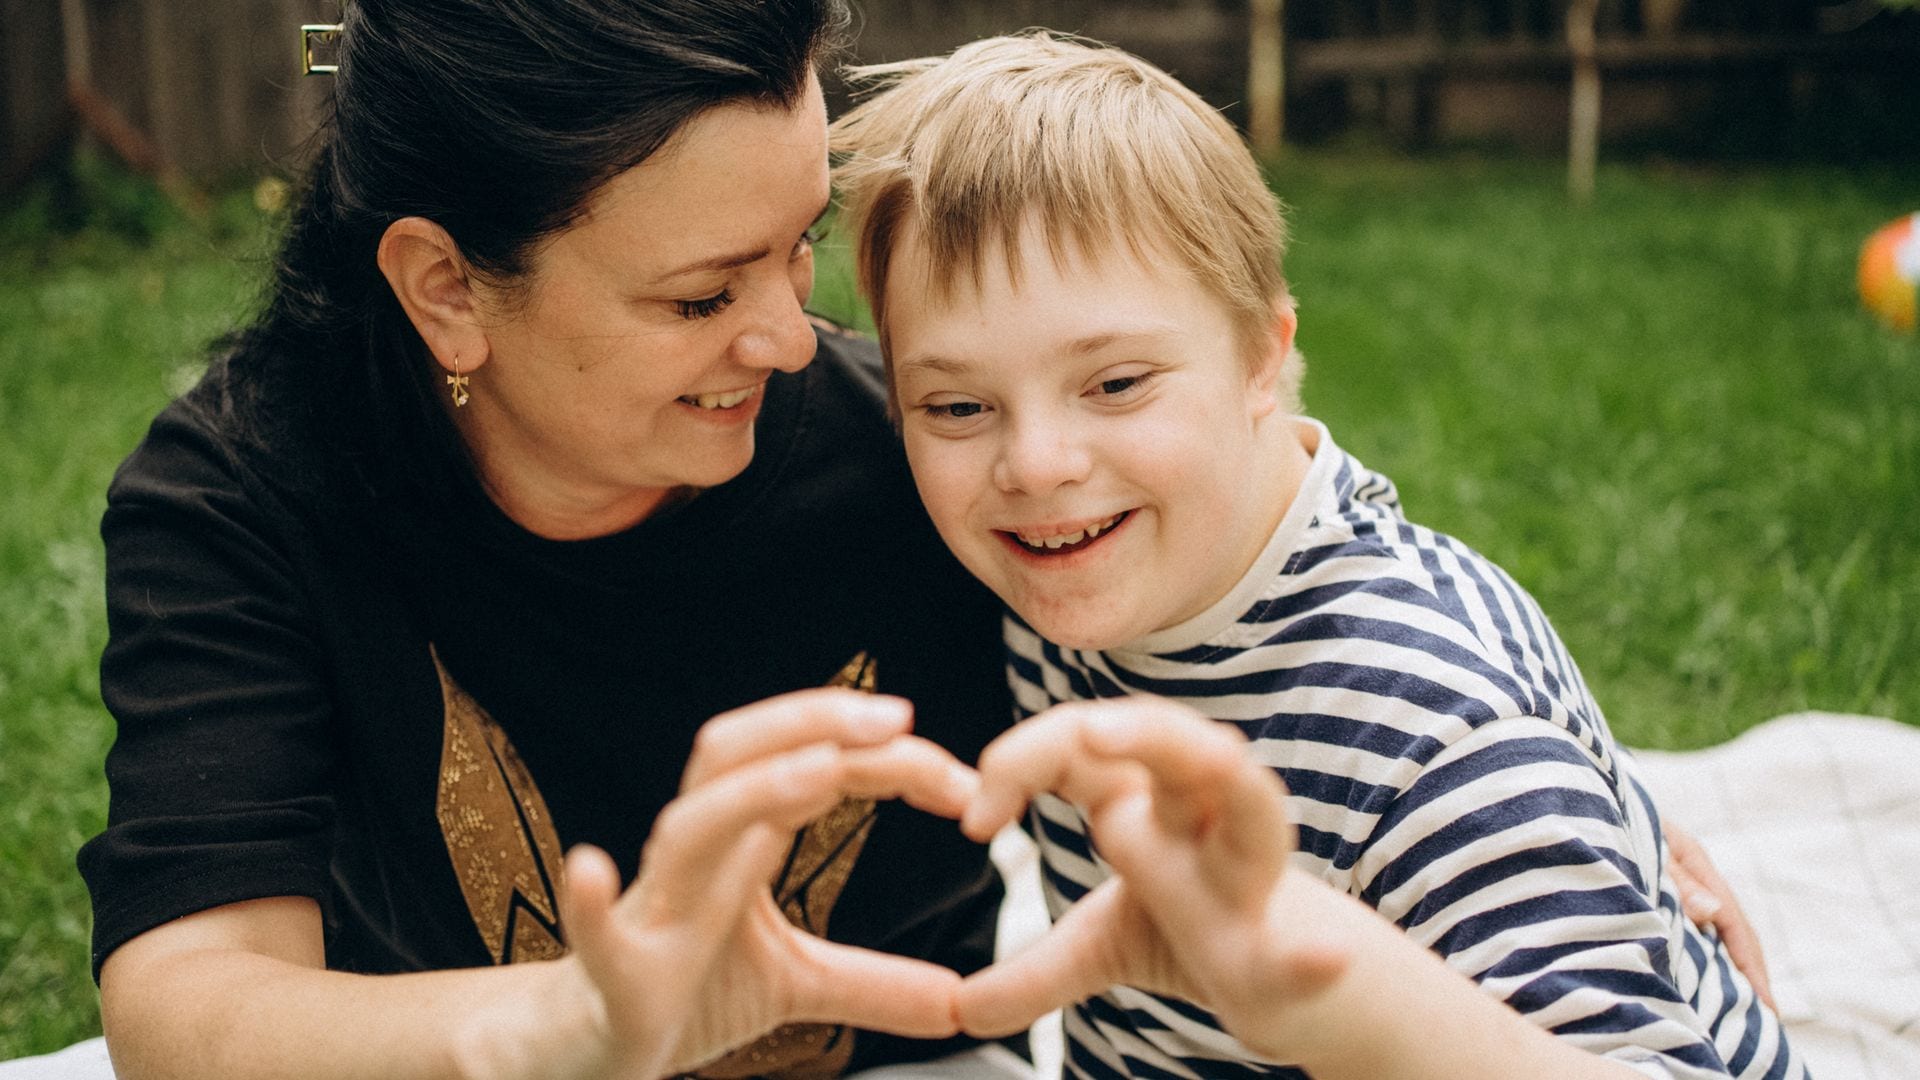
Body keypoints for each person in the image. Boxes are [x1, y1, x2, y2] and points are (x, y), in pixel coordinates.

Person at [829, 32, 1806, 1080]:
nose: (1034, 464)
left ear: (1262, 353)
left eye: (1115, 384)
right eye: (958, 405)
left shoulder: (1433, 730)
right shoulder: (1060, 578)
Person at [73, 3, 1023, 1078]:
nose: (791, 339)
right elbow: (188, 1009)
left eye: (801, 243)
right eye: (702, 295)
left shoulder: (932, 459)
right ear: (447, 288)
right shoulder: (251, 494)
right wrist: (582, 1023)